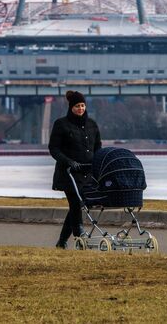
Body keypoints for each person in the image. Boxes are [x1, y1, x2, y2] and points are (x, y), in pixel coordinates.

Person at [48, 90, 102, 249]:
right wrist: (69, 162)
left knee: (76, 206)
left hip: (87, 172)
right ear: (71, 107)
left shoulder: (92, 124)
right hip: (68, 173)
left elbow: (97, 146)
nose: (81, 109)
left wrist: (98, 163)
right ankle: (79, 234)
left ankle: (62, 242)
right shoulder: (61, 124)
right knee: (76, 203)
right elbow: (54, 149)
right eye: (77, 106)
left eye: (83, 105)